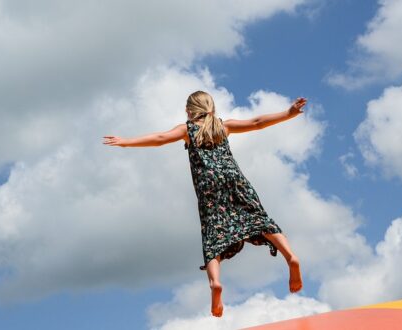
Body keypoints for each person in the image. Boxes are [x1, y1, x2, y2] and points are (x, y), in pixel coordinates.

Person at [103, 91, 307, 317]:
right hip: (234, 178)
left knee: (212, 233)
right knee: (260, 219)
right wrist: (289, 113)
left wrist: (126, 143)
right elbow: (257, 123)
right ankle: (290, 257)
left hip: (208, 186)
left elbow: (160, 139)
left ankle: (215, 283)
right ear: (211, 107)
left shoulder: (187, 130)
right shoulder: (223, 126)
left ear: (189, 110)